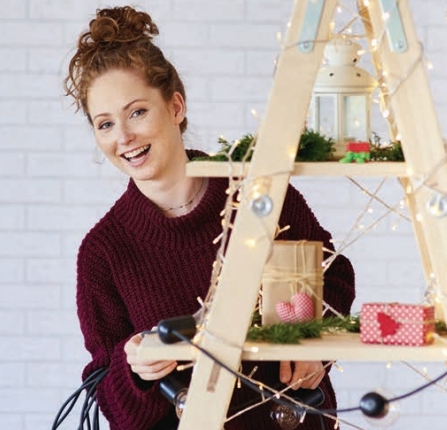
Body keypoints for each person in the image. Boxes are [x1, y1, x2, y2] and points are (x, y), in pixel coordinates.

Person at [63, 6, 355, 430]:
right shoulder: (104, 251)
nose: (123, 137)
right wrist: (136, 372)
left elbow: (334, 276)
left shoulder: (258, 197)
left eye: (137, 112)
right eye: (104, 124)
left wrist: (316, 345)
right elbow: (107, 394)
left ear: (176, 106)